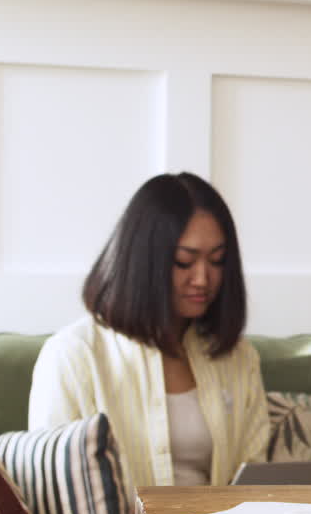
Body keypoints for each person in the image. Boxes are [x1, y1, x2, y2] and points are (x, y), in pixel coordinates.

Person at [29, 173, 269, 490]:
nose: (202, 278)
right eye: (185, 261)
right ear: (143, 262)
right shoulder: (73, 355)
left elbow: (254, 476)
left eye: (217, 260)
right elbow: (53, 492)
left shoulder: (238, 357)